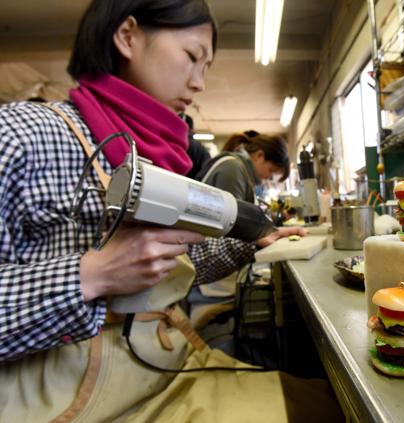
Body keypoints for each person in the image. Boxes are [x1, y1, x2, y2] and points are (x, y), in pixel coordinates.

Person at [0, 1, 341, 422]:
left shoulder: (149, 157)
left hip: (163, 369)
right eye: (192, 56)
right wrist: (91, 275)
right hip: (80, 400)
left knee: (328, 401)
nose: (198, 82)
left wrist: (252, 242)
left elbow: (164, 270)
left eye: (207, 66)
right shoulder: (22, 134)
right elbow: (115, 272)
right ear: (127, 36)